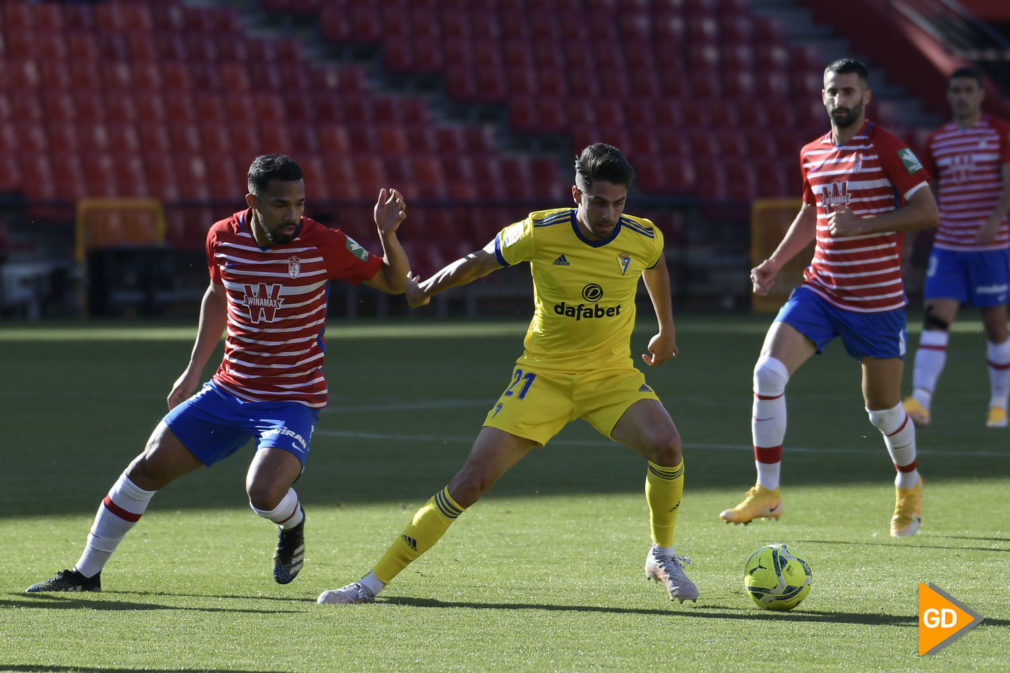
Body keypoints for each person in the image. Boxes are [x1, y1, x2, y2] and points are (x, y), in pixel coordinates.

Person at [318, 143, 698, 605]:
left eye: (619, 203)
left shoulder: (643, 236)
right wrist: (425, 291)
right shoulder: (540, 230)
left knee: (668, 445)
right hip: (544, 377)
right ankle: (369, 585)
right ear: (574, 193)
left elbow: (654, 267)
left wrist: (665, 329)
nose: (609, 214)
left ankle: (662, 554)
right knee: (470, 483)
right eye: (598, 202)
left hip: (610, 376)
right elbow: (478, 261)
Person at [27, 154, 410, 592]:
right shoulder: (222, 237)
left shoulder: (323, 243)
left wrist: (386, 235)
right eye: (281, 205)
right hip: (229, 389)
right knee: (148, 466)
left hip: (292, 398)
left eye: (300, 204)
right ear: (253, 201)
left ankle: (292, 524)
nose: (294, 215)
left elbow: (394, 282)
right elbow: (217, 294)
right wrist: (192, 372)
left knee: (264, 493)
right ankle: (85, 574)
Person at [719, 59, 939, 538]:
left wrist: (863, 225)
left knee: (882, 411)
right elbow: (810, 213)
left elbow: (927, 211)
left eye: (849, 92)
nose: (840, 100)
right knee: (767, 371)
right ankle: (768, 491)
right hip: (821, 290)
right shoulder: (812, 153)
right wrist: (776, 263)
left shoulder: (887, 148)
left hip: (877, 302)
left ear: (866, 97)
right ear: (822, 96)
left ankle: (909, 483)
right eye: (832, 91)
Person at [902, 66, 1010, 429]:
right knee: (935, 319)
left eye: (968, 90)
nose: (961, 96)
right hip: (948, 248)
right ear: (949, 96)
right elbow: (926, 197)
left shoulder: (999, 133)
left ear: (980, 94)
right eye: (956, 90)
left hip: (990, 249)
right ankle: (921, 400)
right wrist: (909, 246)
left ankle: (999, 402)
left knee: (996, 327)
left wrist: (995, 220)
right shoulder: (937, 141)